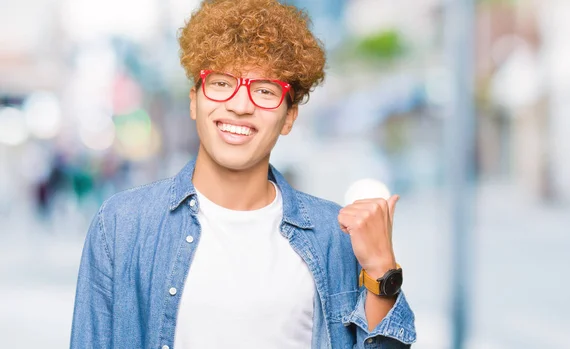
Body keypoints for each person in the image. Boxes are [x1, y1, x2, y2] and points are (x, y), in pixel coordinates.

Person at [69, 0, 416, 348]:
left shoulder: (335, 236)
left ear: (289, 116)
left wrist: (382, 272)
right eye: (221, 83)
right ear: (194, 100)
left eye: (264, 91)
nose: (240, 105)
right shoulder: (122, 225)